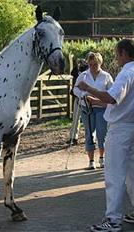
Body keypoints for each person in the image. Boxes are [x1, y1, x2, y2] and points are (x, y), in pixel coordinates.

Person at [77, 39, 134, 232]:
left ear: (124, 53)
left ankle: (113, 220)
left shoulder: (126, 72)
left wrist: (89, 88)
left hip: (120, 130)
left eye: (117, 54)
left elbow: (112, 97)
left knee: (114, 174)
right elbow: (120, 102)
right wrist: (97, 100)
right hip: (131, 126)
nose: (116, 58)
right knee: (131, 173)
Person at [73, 52, 113, 170]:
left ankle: (102, 158)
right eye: (90, 64)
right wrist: (83, 95)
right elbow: (75, 89)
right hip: (86, 108)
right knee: (89, 133)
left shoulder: (106, 76)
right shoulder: (83, 75)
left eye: (95, 64)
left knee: (102, 133)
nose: (93, 67)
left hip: (101, 108)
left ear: (100, 63)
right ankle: (91, 161)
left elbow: (112, 92)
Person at [68, 58, 88, 146]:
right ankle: (73, 137)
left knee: (89, 120)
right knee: (75, 118)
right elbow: (73, 74)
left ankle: (91, 138)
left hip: (87, 99)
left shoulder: (89, 71)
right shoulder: (77, 71)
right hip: (77, 97)